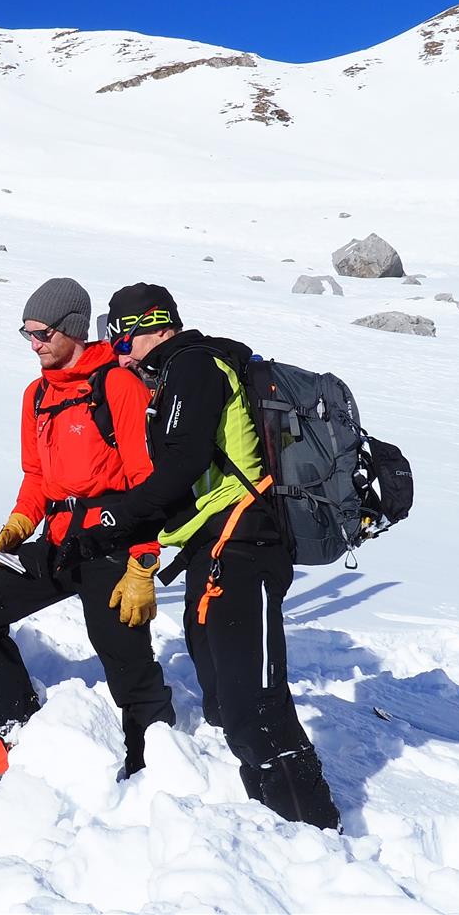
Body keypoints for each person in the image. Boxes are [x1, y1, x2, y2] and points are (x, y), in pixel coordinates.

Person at [95, 283, 341, 830]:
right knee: (228, 704)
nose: (120, 355)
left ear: (152, 326)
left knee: (257, 708)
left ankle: (318, 833)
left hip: (246, 548)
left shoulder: (194, 365)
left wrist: (120, 517)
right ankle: (276, 826)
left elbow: (180, 466)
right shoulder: (175, 373)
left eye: (122, 341)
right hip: (217, 550)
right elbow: (188, 479)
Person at [0, 278, 176, 779]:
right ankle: (15, 732)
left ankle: (156, 766)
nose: (34, 344)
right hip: (56, 541)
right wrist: (18, 523)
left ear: (73, 328)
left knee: (126, 661)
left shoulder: (117, 386)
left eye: (42, 334)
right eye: (27, 334)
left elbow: (147, 482)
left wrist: (143, 562)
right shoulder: (36, 395)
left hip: (112, 543)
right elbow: (36, 476)